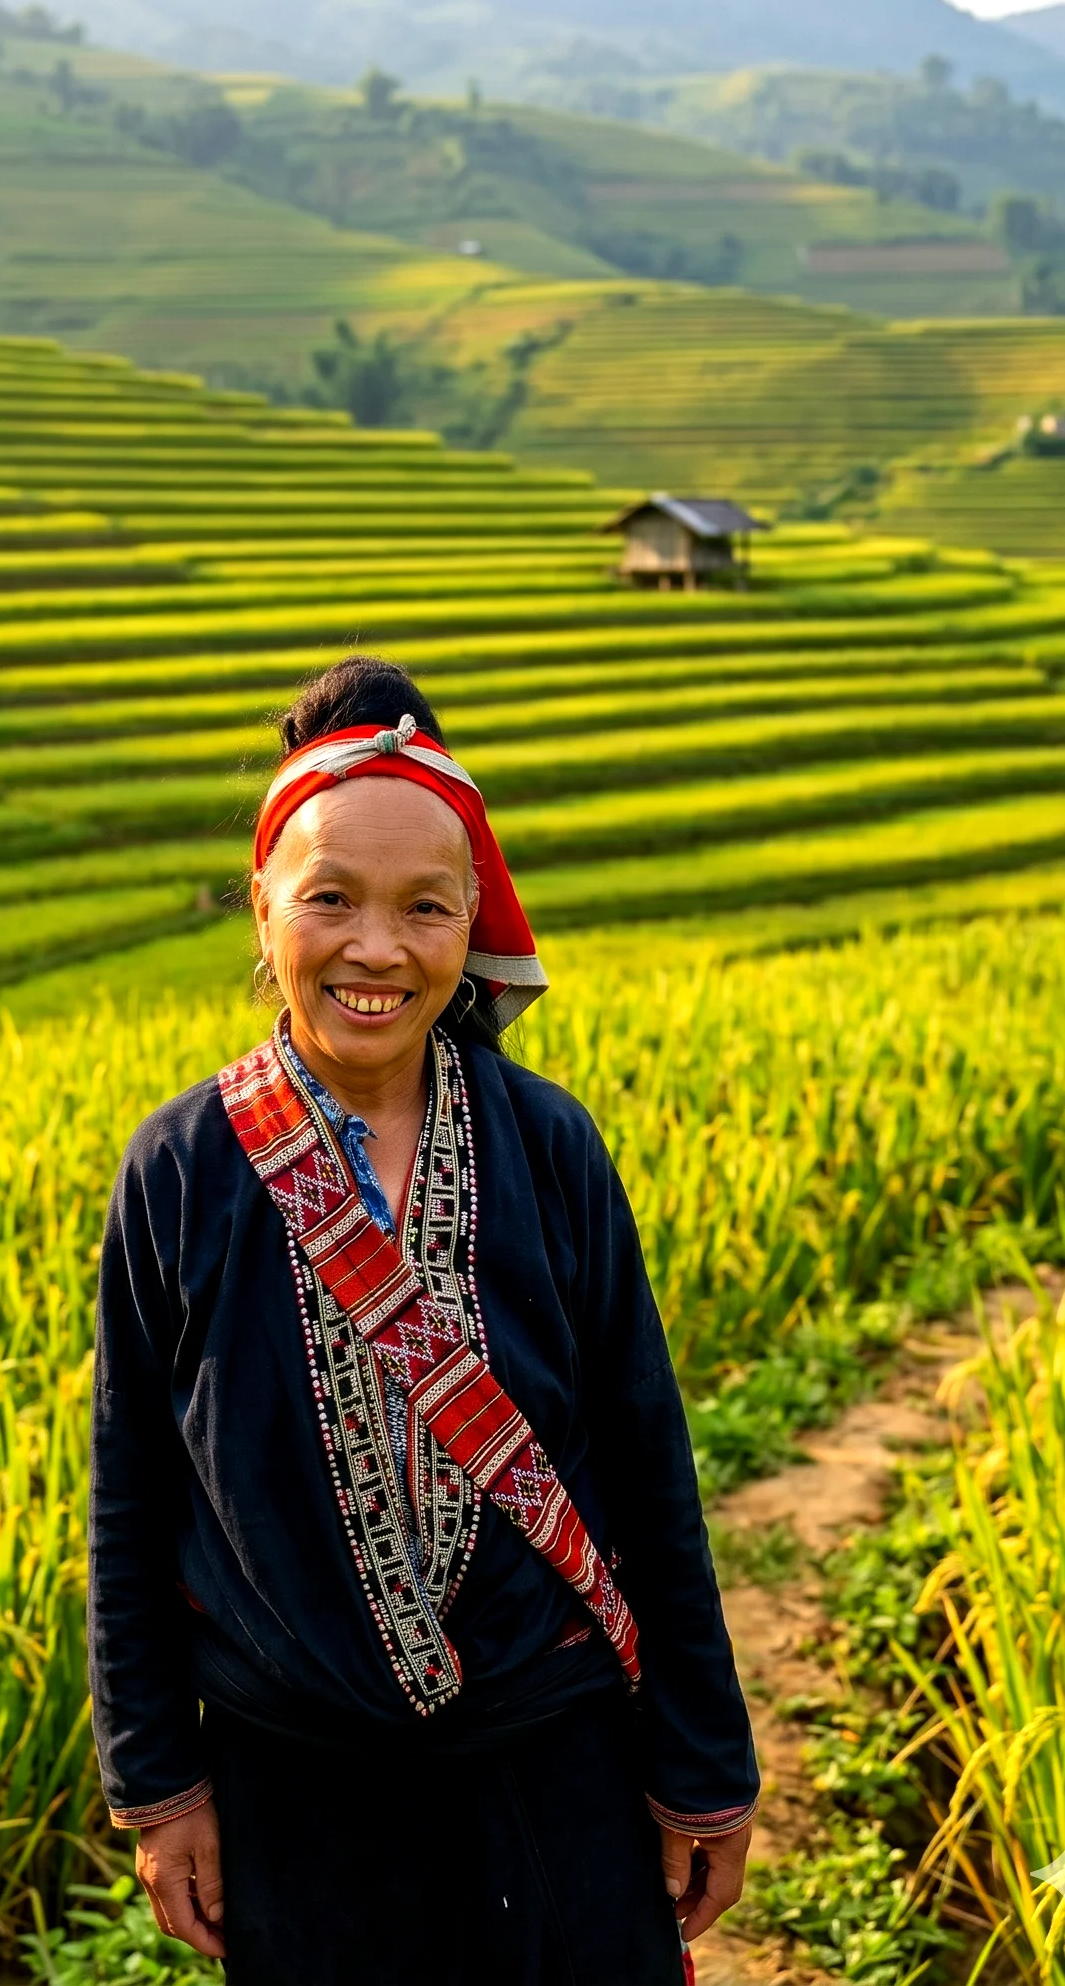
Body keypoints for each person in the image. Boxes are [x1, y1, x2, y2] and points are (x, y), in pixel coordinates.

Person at [87, 656, 758, 1984]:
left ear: (471, 923)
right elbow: (131, 1495)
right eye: (330, 899)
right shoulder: (181, 1169)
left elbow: (644, 1458)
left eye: (424, 908)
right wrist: (159, 1786)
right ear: (264, 905)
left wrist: (701, 1763)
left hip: (554, 1754)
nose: (377, 949)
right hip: (297, 1788)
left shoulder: (548, 1146)